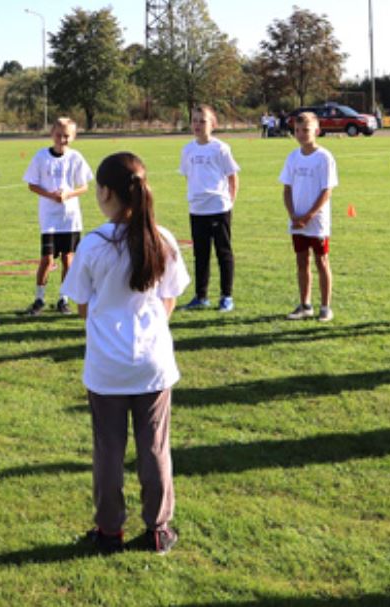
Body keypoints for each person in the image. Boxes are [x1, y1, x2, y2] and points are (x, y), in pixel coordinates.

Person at [60, 151, 189, 555]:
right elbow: (170, 298)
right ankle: (158, 528)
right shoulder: (162, 237)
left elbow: (82, 304)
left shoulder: (94, 245)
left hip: (106, 366)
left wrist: (108, 326)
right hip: (152, 361)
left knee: (109, 451)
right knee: (154, 448)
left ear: (104, 193)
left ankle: (109, 530)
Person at [23, 117, 93, 316]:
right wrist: (50, 195)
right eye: (58, 135)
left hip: (70, 217)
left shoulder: (76, 158)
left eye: (66, 136)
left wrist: (68, 194)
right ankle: (39, 299)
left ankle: (64, 299)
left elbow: (84, 186)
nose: (62, 139)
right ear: (52, 133)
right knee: (46, 259)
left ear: (73, 137)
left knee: (68, 259)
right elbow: (32, 184)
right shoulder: (41, 157)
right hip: (49, 217)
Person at [179, 105, 240, 313]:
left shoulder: (220, 148)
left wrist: (230, 201)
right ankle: (201, 296)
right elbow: (189, 175)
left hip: (218, 207)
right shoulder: (188, 150)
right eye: (194, 120)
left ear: (213, 124)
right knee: (200, 254)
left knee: (223, 253)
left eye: (202, 121)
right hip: (197, 209)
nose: (197, 124)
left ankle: (226, 296)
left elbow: (232, 176)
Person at [280, 112, 338, 322]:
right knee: (301, 261)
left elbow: (326, 191)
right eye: (297, 130)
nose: (301, 134)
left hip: (317, 221)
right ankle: (305, 305)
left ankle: (325, 307)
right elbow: (286, 188)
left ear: (317, 131)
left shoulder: (324, 157)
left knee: (321, 261)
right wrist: (293, 214)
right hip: (297, 219)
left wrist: (309, 215)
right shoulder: (293, 157)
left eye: (306, 130)